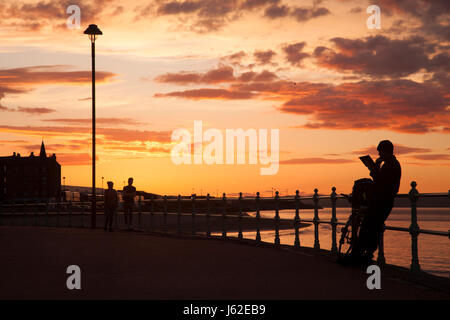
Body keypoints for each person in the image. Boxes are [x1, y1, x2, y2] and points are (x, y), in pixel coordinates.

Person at [352, 140, 402, 264]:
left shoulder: (390, 165)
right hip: (383, 200)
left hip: (382, 201)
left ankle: (364, 255)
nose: (379, 155)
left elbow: (380, 182)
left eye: (380, 152)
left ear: (385, 151)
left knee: (369, 227)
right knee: (372, 227)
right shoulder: (392, 164)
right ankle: (366, 254)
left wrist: (374, 169)